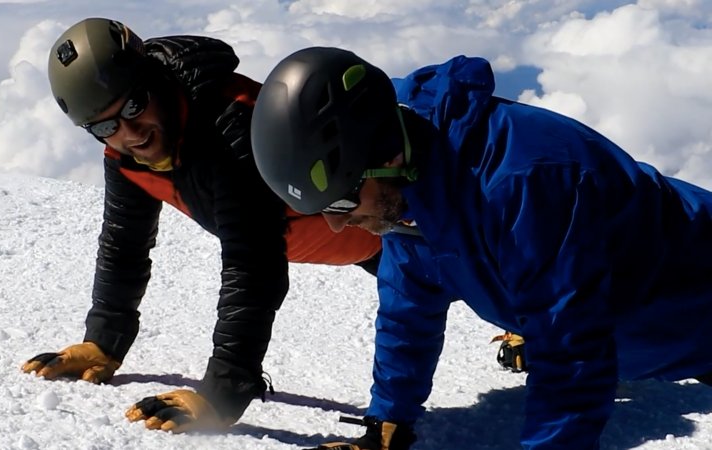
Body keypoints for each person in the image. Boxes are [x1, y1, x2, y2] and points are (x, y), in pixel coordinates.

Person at [250, 46, 712, 450]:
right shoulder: (408, 192)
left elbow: (569, 350)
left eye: (342, 200)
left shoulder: (524, 185)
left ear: (385, 157)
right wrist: (388, 420)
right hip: (648, 334)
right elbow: (407, 309)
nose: (335, 225)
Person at [20, 18, 383, 434]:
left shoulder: (229, 130)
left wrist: (221, 393)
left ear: (155, 79)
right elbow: (124, 244)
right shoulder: (126, 157)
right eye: (105, 127)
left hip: (394, 227)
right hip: (348, 241)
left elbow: (253, 264)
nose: (130, 133)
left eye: (135, 105)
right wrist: (103, 341)